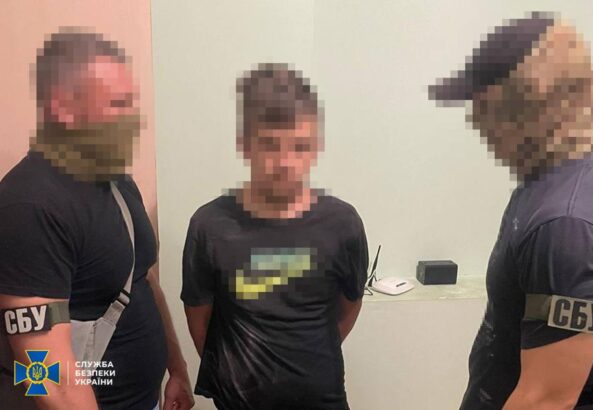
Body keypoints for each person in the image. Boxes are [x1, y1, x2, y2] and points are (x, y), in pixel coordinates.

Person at [0, 28, 194, 410]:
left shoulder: (115, 180)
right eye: (118, 104)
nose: (133, 118)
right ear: (63, 108)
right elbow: (47, 377)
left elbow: (142, 278)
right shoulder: (29, 207)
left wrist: (178, 369)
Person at [430, 12, 593, 409]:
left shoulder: (566, 225)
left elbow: (546, 400)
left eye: (486, 107)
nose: (477, 124)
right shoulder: (543, 191)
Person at [181, 63, 369, 410]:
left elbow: (348, 309)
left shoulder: (344, 225)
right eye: (270, 145)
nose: (285, 162)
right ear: (244, 145)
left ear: (315, 148)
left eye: (299, 146)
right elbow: (199, 320)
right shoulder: (209, 226)